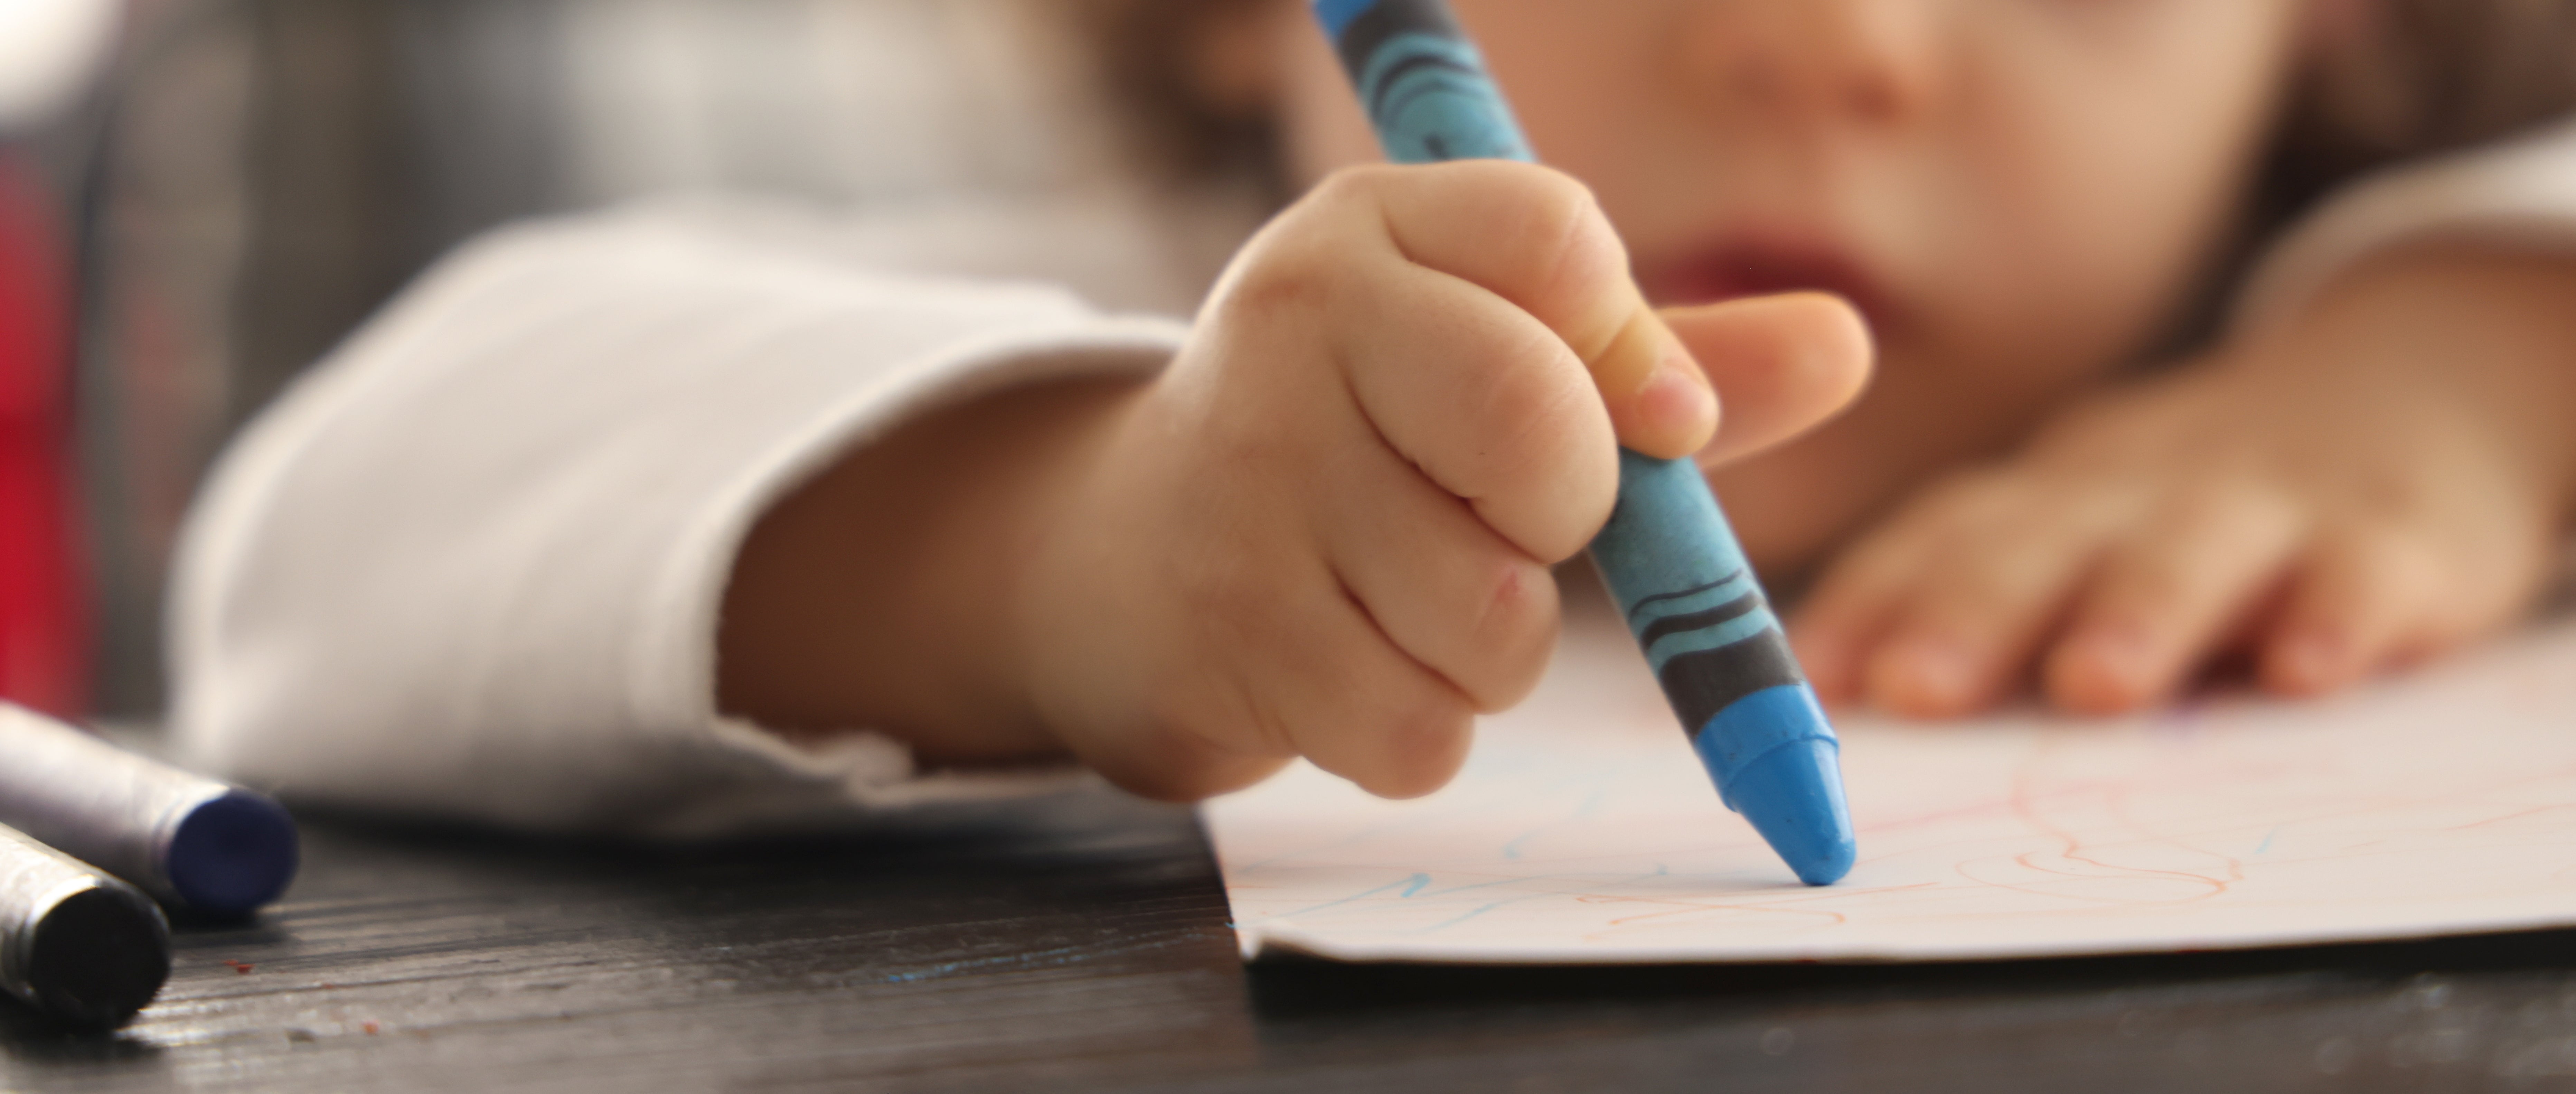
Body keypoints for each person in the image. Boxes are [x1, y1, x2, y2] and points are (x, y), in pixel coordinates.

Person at [171, 0, 2576, 833]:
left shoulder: (2382, 335)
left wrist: (2482, 352)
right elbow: (321, 535)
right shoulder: (1147, 320)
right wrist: (1067, 535)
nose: (1831, 40)